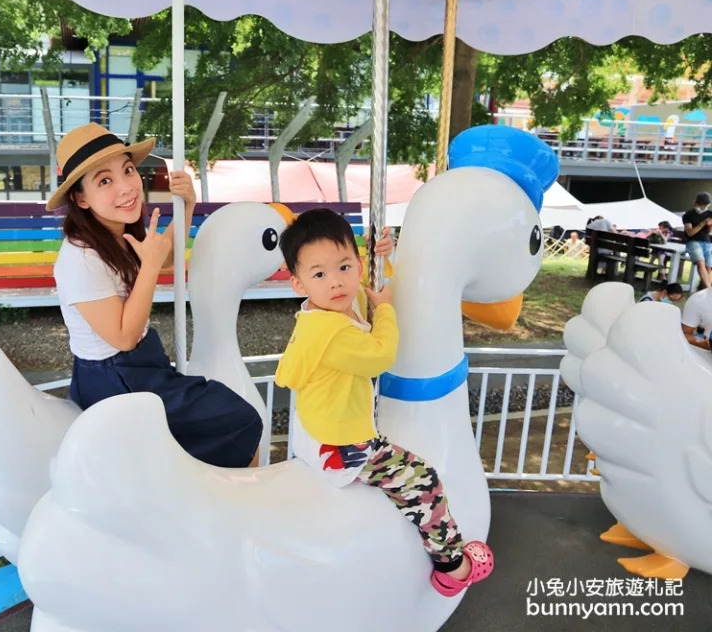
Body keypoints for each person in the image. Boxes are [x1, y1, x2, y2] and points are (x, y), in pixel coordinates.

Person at [273, 208, 494, 598]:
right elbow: (380, 354)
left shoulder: (324, 308)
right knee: (423, 480)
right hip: (345, 442)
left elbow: (363, 293)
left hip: (320, 429)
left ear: (357, 263)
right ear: (297, 283)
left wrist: (383, 259)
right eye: (319, 274)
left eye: (344, 267)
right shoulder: (330, 332)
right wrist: (388, 310)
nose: (336, 282)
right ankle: (452, 565)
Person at [49, 123, 263, 468]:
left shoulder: (114, 233)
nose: (125, 187)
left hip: (135, 366)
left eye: (128, 170)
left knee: (223, 419)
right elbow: (122, 336)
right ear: (80, 198)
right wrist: (149, 268)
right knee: (241, 419)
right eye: (105, 181)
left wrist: (188, 205)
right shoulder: (82, 258)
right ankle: (235, 508)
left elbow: (164, 255)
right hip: (115, 377)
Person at [681, 192, 712, 290]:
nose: (705, 207)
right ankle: (708, 288)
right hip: (693, 241)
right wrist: (702, 223)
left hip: (707, 242)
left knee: (709, 267)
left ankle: (706, 288)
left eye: (707, 205)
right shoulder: (688, 215)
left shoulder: (710, 214)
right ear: (697, 203)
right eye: (703, 205)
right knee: (700, 262)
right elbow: (690, 233)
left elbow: (709, 231)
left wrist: (710, 225)